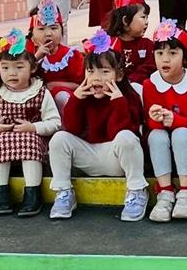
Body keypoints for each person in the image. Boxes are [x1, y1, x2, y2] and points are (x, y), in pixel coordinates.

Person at [47, 32, 147, 221]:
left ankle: (136, 190)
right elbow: (73, 129)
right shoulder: (84, 97)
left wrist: (118, 103)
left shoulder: (128, 97)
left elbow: (121, 133)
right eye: (91, 71)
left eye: (104, 72)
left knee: (126, 137)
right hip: (90, 155)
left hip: (117, 159)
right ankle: (64, 192)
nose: (96, 78)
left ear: (119, 75)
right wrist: (75, 100)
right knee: (59, 138)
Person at [0, 29, 61, 217]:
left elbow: (55, 122)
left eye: (19, 67)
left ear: (32, 68)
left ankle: (32, 192)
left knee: (30, 141)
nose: (12, 73)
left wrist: (34, 127)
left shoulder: (40, 91)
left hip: (33, 138)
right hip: (3, 138)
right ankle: (1, 193)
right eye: (5, 68)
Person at [143, 19, 187, 222]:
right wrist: (155, 118)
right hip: (163, 146)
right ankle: (165, 192)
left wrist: (175, 120)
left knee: (180, 134)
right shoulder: (150, 84)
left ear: (185, 55)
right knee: (156, 135)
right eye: (159, 53)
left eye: (173, 53)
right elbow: (150, 124)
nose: (165, 59)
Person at [28, 0, 84, 113]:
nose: (48, 33)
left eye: (54, 28)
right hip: (35, 104)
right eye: (41, 29)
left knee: (61, 96)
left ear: (62, 32)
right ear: (32, 36)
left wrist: (54, 85)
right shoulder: (26, 55)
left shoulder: (71, 55)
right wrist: (36, 58)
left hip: (65, 102)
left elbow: (81, 85)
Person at [106, 0, 156, 92]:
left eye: (147, 18)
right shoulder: (109, 44)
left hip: (139, 88)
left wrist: (132, 80)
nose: (147, 22)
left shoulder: (147, 45)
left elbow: (150, 65)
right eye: (143, 17)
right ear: (125, 20)